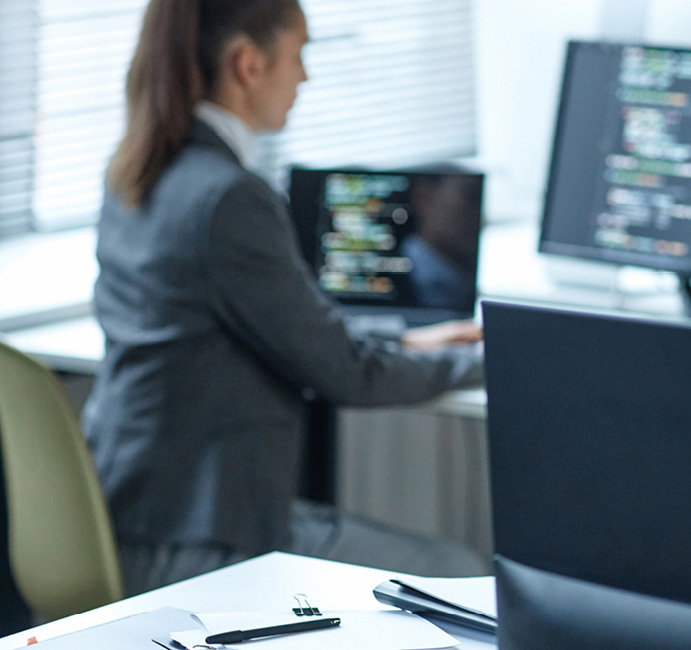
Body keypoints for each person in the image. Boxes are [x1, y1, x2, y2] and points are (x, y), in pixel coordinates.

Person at [85, 0, 486, 596]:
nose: (304, 76)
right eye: (298, 55)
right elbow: (347, 374)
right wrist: (486, 362)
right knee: (465, 576)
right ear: (248, 64)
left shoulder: (138, 171)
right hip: (197, 542)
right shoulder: (230, 199)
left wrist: (408, 341)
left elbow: (297, 331)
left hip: (125, 517)